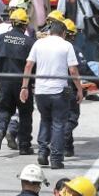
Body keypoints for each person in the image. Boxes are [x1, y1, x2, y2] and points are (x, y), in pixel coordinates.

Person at [23, 11, 83, 167]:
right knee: (58, 124)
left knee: (45, 120)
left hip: (40, 92)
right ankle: (56, 159)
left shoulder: (38, 43)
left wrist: (24, 87)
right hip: (59, 92)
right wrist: (79, 89)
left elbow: (28, 65)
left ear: (50, 31)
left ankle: (42, 153)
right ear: (64, 33)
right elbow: (73, 71)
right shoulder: (67, 45)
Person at [0, 8, 36, 156]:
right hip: (23, 85)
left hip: (4, 83)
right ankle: (24, 146)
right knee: (25, 114)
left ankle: (0, 129)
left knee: (4, 109)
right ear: (25, 25)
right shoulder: (30, 42)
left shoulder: (1, 39)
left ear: (12, 23)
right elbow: (34, 65)